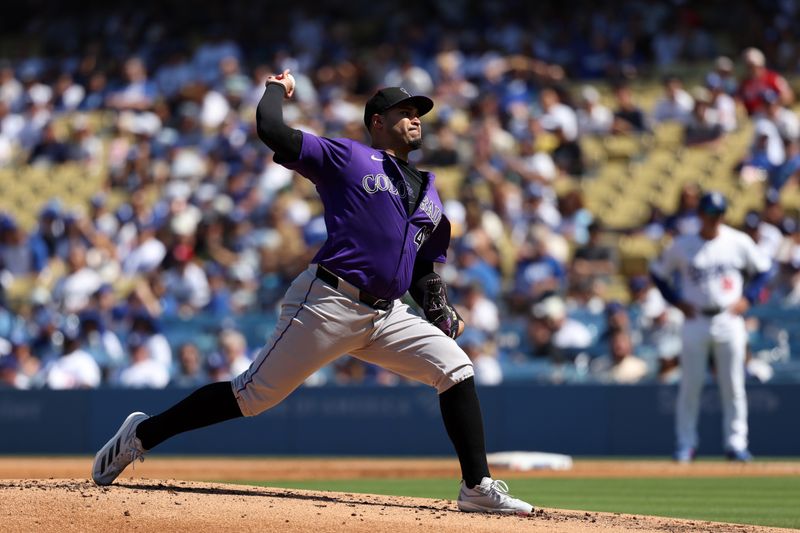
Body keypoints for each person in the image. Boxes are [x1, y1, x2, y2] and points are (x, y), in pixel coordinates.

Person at [91, 71, 533, 515]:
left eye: (418, 114)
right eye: (405, 112)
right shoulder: (349, 157)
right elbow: (272, 131)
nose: (415, 119)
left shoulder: (429, 192)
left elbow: (421, 265)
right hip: (329, 301)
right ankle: (142, 435)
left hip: (387, 314)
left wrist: (438, 306)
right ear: (377, 121)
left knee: (455, 367)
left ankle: (476, 486)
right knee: (250, 397)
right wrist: (273, 89)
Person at [650, 191, 772, 463]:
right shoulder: (683, 244)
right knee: (690, 385)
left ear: (724, 215)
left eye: (718, 214)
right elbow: (658, 274)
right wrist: (676, 302)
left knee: (733, 385)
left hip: (729, 318)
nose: (714, 219)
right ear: (701, 214)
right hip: (695, 319)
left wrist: (748, 298)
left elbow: (765, 270)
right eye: (709, 213)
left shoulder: (737, 241)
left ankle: (736, 444)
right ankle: (685, 444)